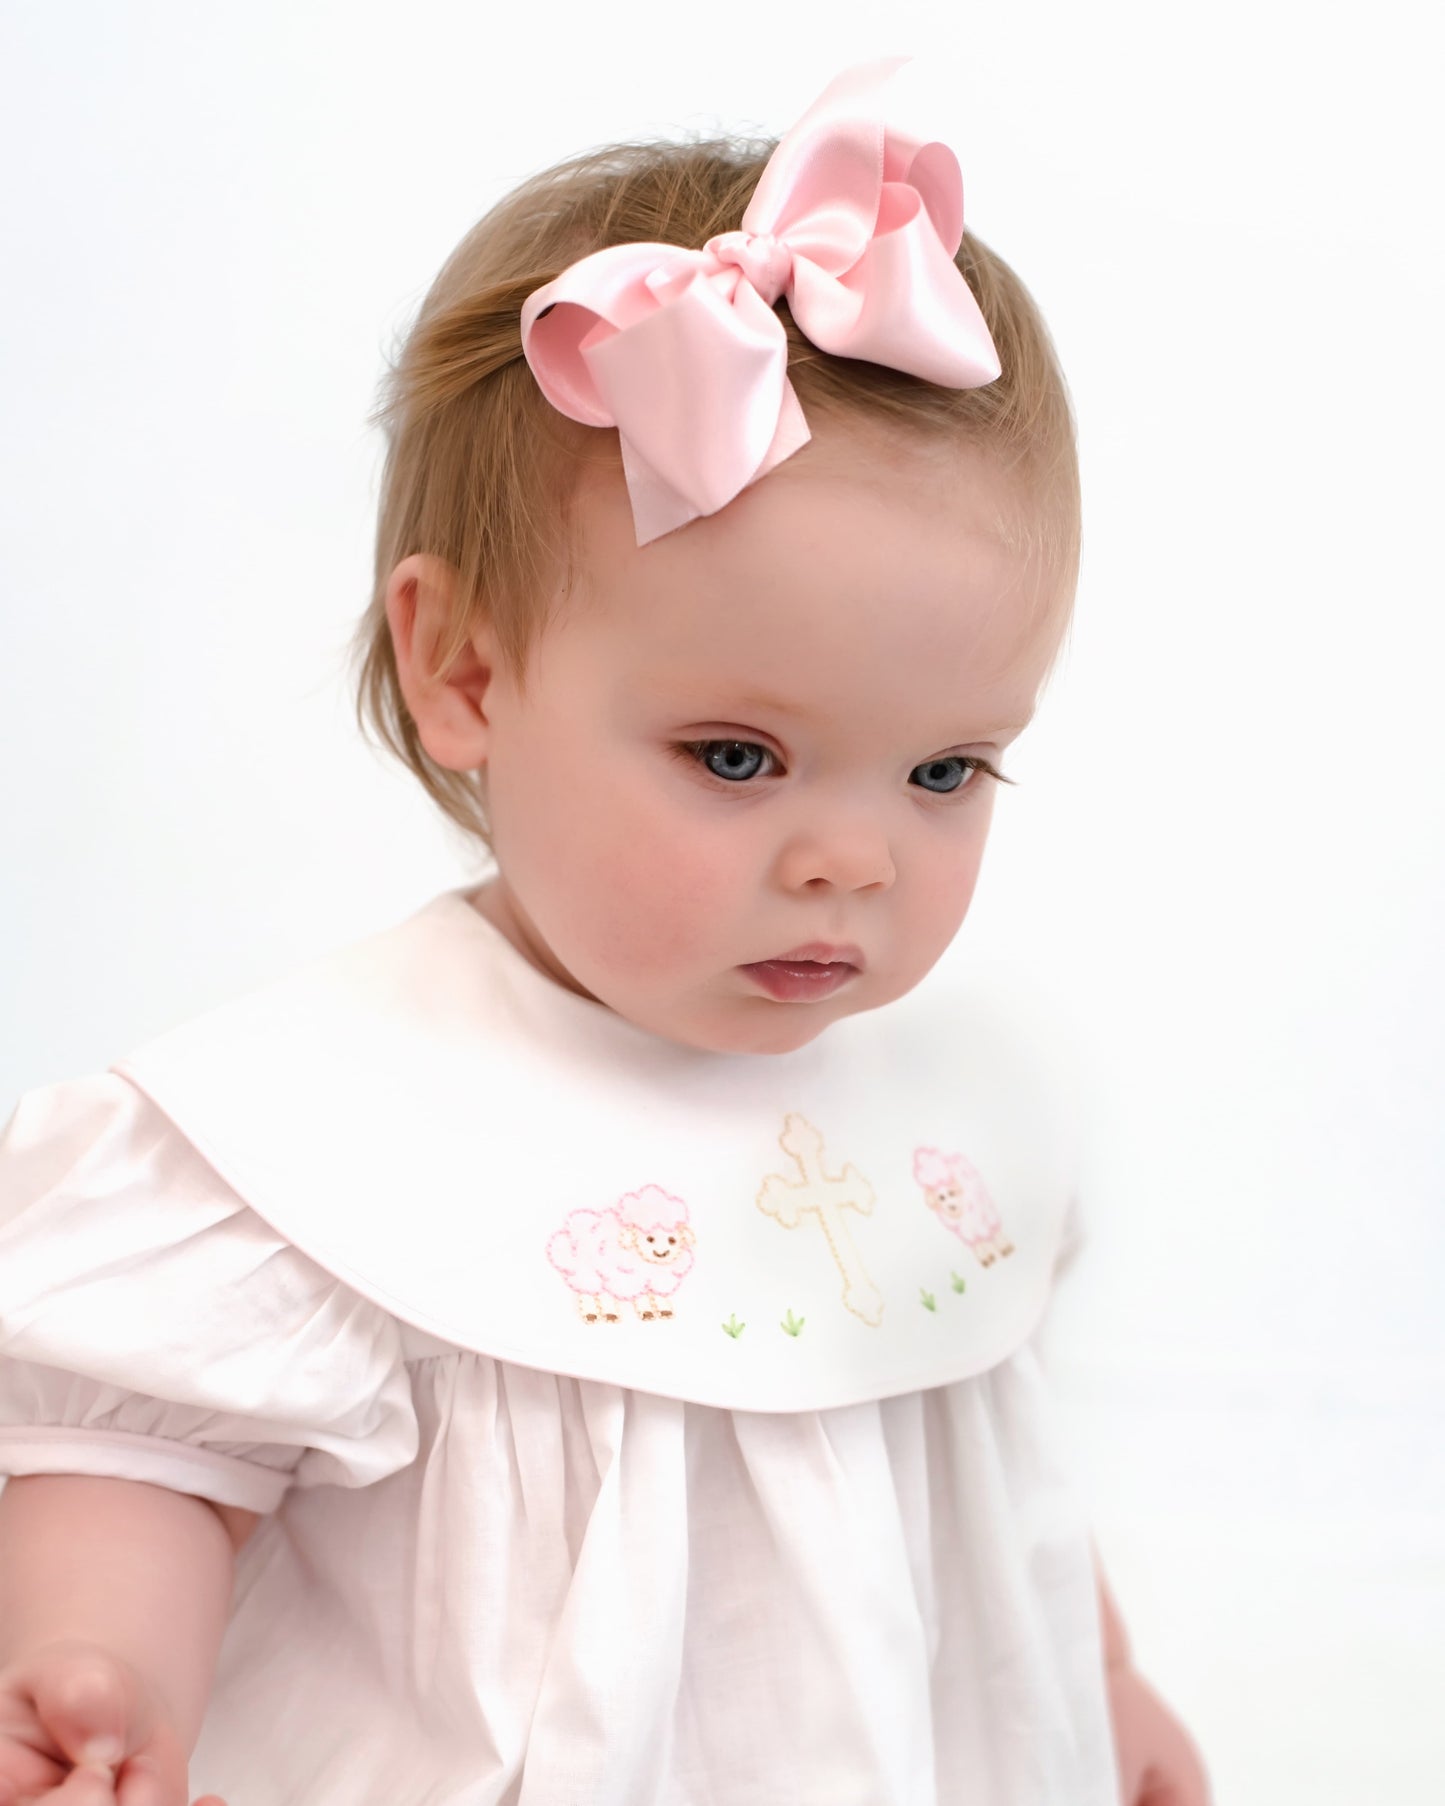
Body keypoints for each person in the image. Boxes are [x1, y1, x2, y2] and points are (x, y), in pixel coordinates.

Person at [0, 57, 1211, 1806]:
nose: (852, 860)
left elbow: (967, 1438)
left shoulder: (940, 1092)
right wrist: (103, 1667)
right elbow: (148, 1456)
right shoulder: (331, 1123)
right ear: (463, 669)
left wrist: (1100, 1679)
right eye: (738, 756)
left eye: (945, 769)